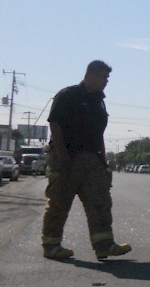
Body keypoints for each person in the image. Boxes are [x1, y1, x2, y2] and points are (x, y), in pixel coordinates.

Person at [41, 60, 132, 260]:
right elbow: (54, 125)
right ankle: (51, 246)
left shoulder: (98, 101)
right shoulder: (68, 95)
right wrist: (63, 155)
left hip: (92, 159)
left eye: (107, 77)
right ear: (90, 74)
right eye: (103, 77)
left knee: (100, 201)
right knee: (59, 202)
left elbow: (98, 133)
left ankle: (104, 245)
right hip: (67, 157)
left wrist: (102, 158)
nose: (106, 81)